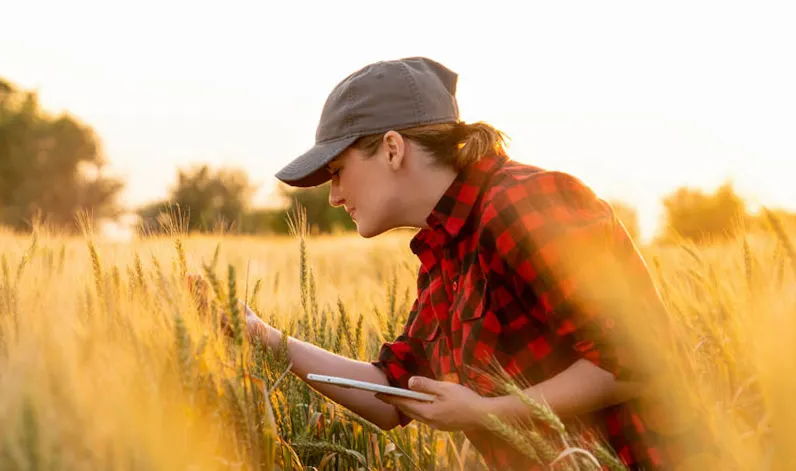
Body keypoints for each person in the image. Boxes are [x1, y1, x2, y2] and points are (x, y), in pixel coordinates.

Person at [192, 57, 692, 470]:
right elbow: (396, 389)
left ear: (392, 149)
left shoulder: (524, 202)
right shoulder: (445, 249)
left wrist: (488, 412)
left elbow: (635, 362)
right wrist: (262, 336)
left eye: (339, 172)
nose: (336, 196)